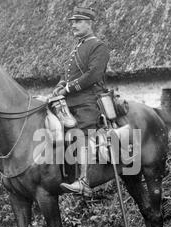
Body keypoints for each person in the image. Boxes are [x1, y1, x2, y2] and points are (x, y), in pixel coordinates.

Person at [53, 6, 111, 196]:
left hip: (89, 99)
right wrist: (60, 85)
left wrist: (68, 88)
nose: (73, 26)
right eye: (72, 22)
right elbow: (67, 74)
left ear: (89, 23)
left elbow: (93, 75)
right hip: (70, 101)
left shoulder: (98, 46)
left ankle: (84, 181)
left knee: (84, 133)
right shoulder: (76, 47)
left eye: (78, 22)